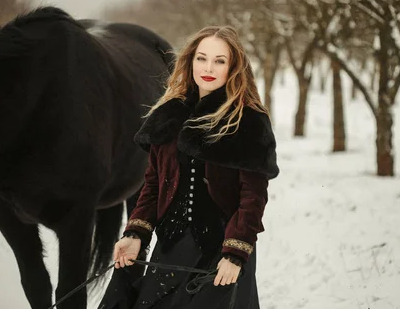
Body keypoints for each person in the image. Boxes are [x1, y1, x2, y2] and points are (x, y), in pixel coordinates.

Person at [97, 25, 279, 309]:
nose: (209, 67)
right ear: (190, 60)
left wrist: (234, 254)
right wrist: (135, 234)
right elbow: (153, 185)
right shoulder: (169, 115)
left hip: (222, 253)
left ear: (233, 67)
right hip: (171, 248)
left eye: (220, 61)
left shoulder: (248, 122)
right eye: (202, 58)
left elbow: (252, 198)